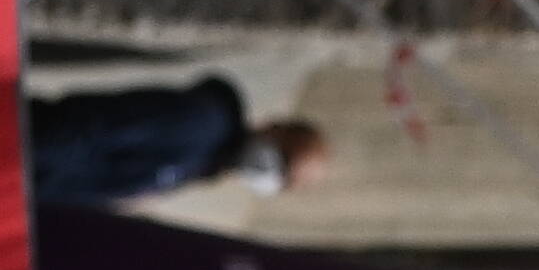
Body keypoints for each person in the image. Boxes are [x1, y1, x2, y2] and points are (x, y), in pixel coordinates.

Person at [26, 79, 331, 208]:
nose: (270, 172)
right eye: (283, 158)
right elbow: (88, 128)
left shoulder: (205, 163)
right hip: (13, 151)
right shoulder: (200, 123)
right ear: (275, 128)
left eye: (285, 179)